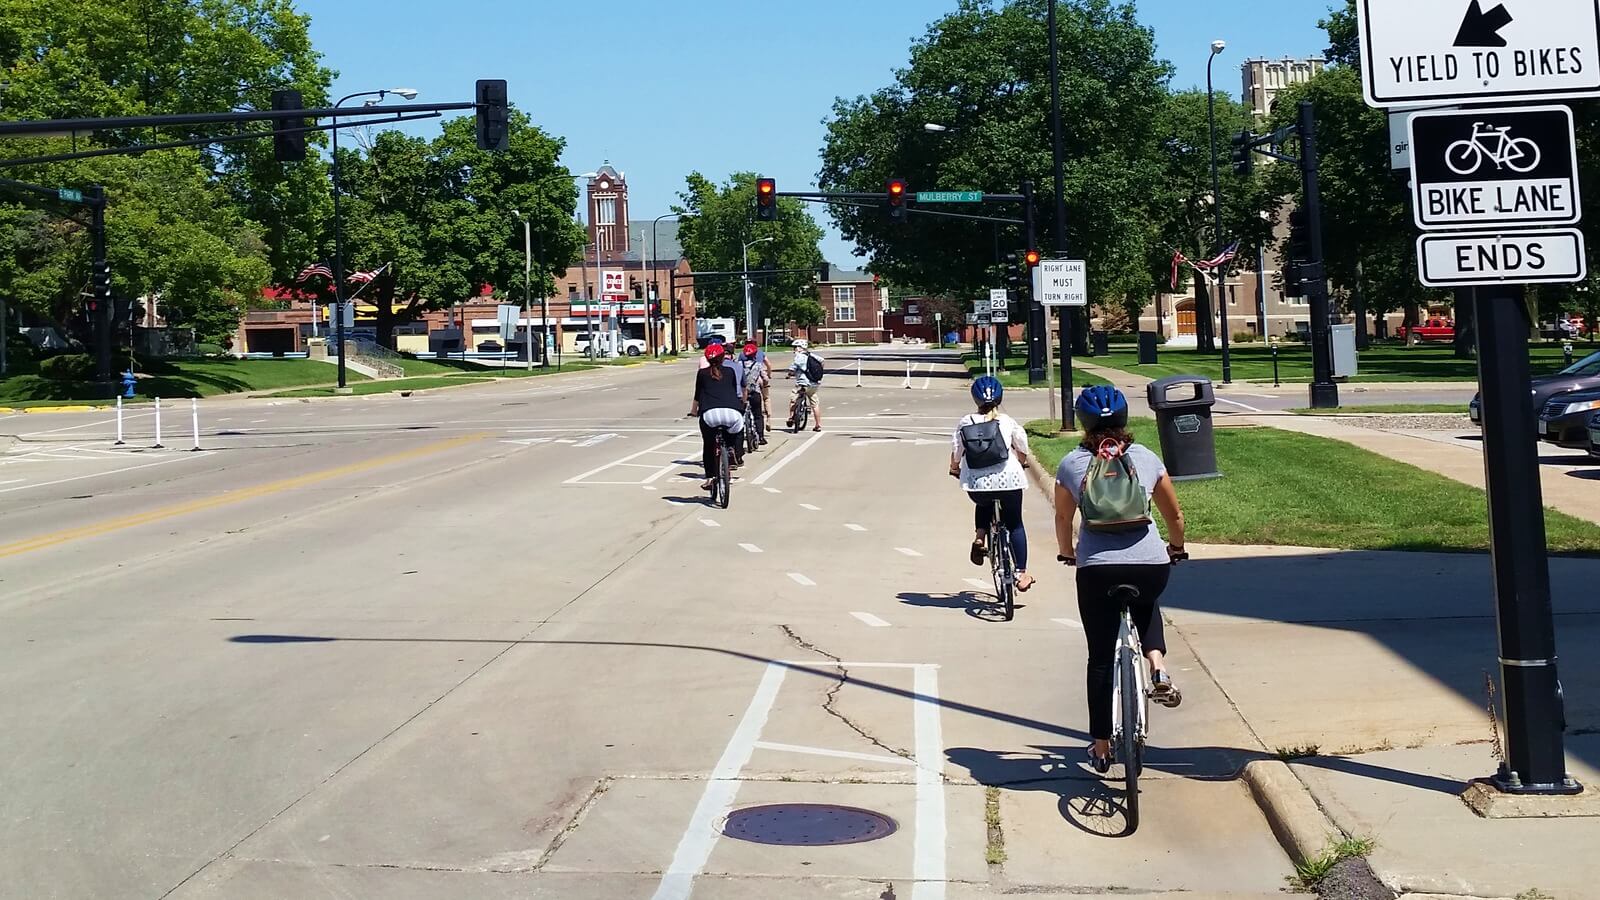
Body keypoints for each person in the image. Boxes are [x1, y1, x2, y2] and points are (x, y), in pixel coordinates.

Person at [1054, 385, 1187, 774]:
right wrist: (1175, 548)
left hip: (1097, 569)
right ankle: (1157, 667)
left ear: (1083, 422)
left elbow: (1064, 519)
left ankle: (1100, 746)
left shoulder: (1071, 464)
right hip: (1149, 565)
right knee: (1146, 601)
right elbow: (1174, 517)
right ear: (1126, 419)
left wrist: (1068, 552)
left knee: (1099, 656)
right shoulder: (1145, 458)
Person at [948, 375, 1035, 592]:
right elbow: (1022, 445)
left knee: (984, 503)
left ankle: (980, 537)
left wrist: (955, 468)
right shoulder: (1006, 421)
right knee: (1015, 523)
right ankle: (1021, 573)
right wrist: (1022, 462)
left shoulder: (966, 422)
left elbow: (957, 450)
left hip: (977, 485)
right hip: (1010, 481)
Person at [689, 343, 746, 489]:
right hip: (733, 412)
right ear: (723, 358)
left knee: (708, 445)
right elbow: (735, 391)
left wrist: (694, 411)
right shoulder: (730, 371)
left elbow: (697, 395)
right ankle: (732, 450)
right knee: (735, 432)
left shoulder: (702, 373)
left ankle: (710, 478)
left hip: (710, 413)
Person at [786, 339, 823, 432]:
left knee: (793, 399)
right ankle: (818, 425)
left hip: (803, 383)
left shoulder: (799, 357)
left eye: (795, 347)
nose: (794, 349)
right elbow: (822, 361)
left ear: (799, 348)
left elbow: (792, 369)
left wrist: (789, 374)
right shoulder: (812, 356)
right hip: (814, 384)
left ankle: (791, 418)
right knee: (815, 404)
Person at [738, 341, 771, 444]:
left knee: (739, 415)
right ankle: (761, 436)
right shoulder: (758, 365)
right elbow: (765, 378)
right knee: (758, 414)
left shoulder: (739, 365)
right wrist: (765, 383)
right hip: (754, 391)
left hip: (742, 393)